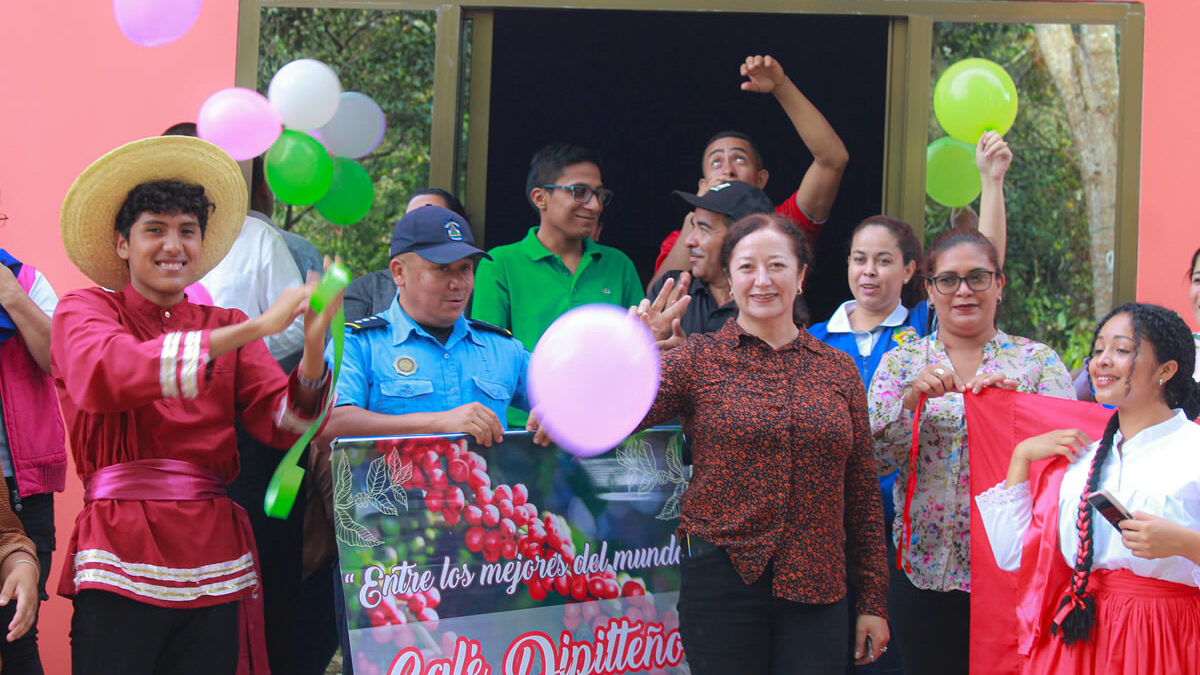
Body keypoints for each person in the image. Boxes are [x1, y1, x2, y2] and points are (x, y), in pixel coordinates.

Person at [52, 135, 341, 675]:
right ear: (122, 244)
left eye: (187, 231)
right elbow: (107, 375)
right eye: (155, 230)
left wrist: (310, 350)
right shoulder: (84, 309)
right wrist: (259, 327)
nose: (173, 246)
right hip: (119, 547)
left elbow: (284, 424)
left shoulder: (225, 324)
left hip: (215, 556)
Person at [635, 213, 889, 674]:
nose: (763, 280)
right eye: (747, 267)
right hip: (721, 584)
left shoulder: (837, 369)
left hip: (818, 586)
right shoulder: (697, 359)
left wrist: (872, 600)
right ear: (729, 280)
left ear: (801, 276)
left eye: (777, 265)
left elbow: (863, 495)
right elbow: (621, 416)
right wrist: (636, 351)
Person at [866, 225, 1074, 673]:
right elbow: (873, 462)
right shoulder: (902, 362)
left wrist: (1020, 411)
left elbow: (1071, 465)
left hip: (1012, 569)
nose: (963, 291)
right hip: (922, 570)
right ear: (929, 289)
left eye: (978, 277)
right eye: (948, 280)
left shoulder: (1036, 363)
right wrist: (909, 404)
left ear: (999, 284)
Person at [978, 303, 1200, 673]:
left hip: (1166, 638)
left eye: (1122, 349)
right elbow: (1015, 555)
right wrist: (1021, 457)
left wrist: (1183, 544)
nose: (1102, 362)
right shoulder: (1081, 458)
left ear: (1166, 370)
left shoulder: (1193, 450)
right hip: (1081, 637)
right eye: (1098, 350)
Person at [471, 143, 642, 426]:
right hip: (524, 432)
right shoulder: (499, 263)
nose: (595, 205)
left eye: (599, 194)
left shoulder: (619, 264)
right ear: (540, 198)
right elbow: (490, 357)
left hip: (605, 427)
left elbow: (636, 351)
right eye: (580, 192)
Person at [649, 54, 848, 289]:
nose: (728, 170)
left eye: (739, 159)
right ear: (703, 183)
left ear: (760, 179)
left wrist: (782, 87)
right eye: (716, 162)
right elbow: (656, 300)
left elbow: (832, 160)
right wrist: (697, 215)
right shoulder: (686, 236)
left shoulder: (781, 223)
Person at [0, 204, 62, 674]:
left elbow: (59, 362)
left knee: (18, 636)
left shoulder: (29, 281)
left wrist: (14, 299)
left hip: (23, 488)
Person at [639, 180, 773, 341]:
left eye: (703, 229)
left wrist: (683, 357)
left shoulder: (771, 298)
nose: (689, 241)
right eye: (693, 226)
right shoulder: (670, 288)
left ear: (742, 238)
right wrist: (650, 344)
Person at [343, 188, 468, 322]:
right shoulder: (365, 290)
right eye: (410, 220)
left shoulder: (469, 288)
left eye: (430, 218)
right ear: (398, 272)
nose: (417, 227)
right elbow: (342, 340)